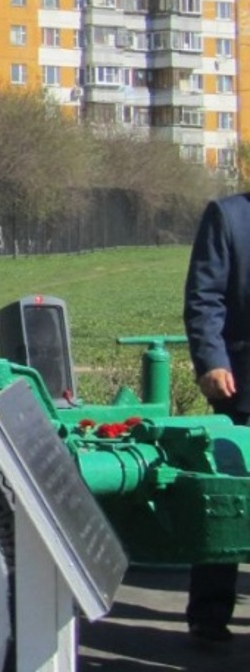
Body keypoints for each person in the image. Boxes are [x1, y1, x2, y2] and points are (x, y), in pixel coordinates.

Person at [183, 191, 250, 644]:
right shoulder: (228, 217)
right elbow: (204, 298)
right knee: (227, 502)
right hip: (242, 389)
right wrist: (212, 361)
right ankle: (209, 617)